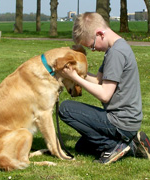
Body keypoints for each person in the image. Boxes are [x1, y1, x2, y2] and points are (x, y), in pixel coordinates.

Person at [58, 12, 150, 164]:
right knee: (81, 147)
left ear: (100, 34)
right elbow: (98, 80)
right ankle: (133, 145)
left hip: (120, 122)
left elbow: (105, 94)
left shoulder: (116, 53)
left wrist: (75, 78)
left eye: (92, 45)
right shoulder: (115, 49)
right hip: (127, 122)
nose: (93, 50)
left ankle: (113, 146)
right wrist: (77, 72)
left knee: (66, 108)